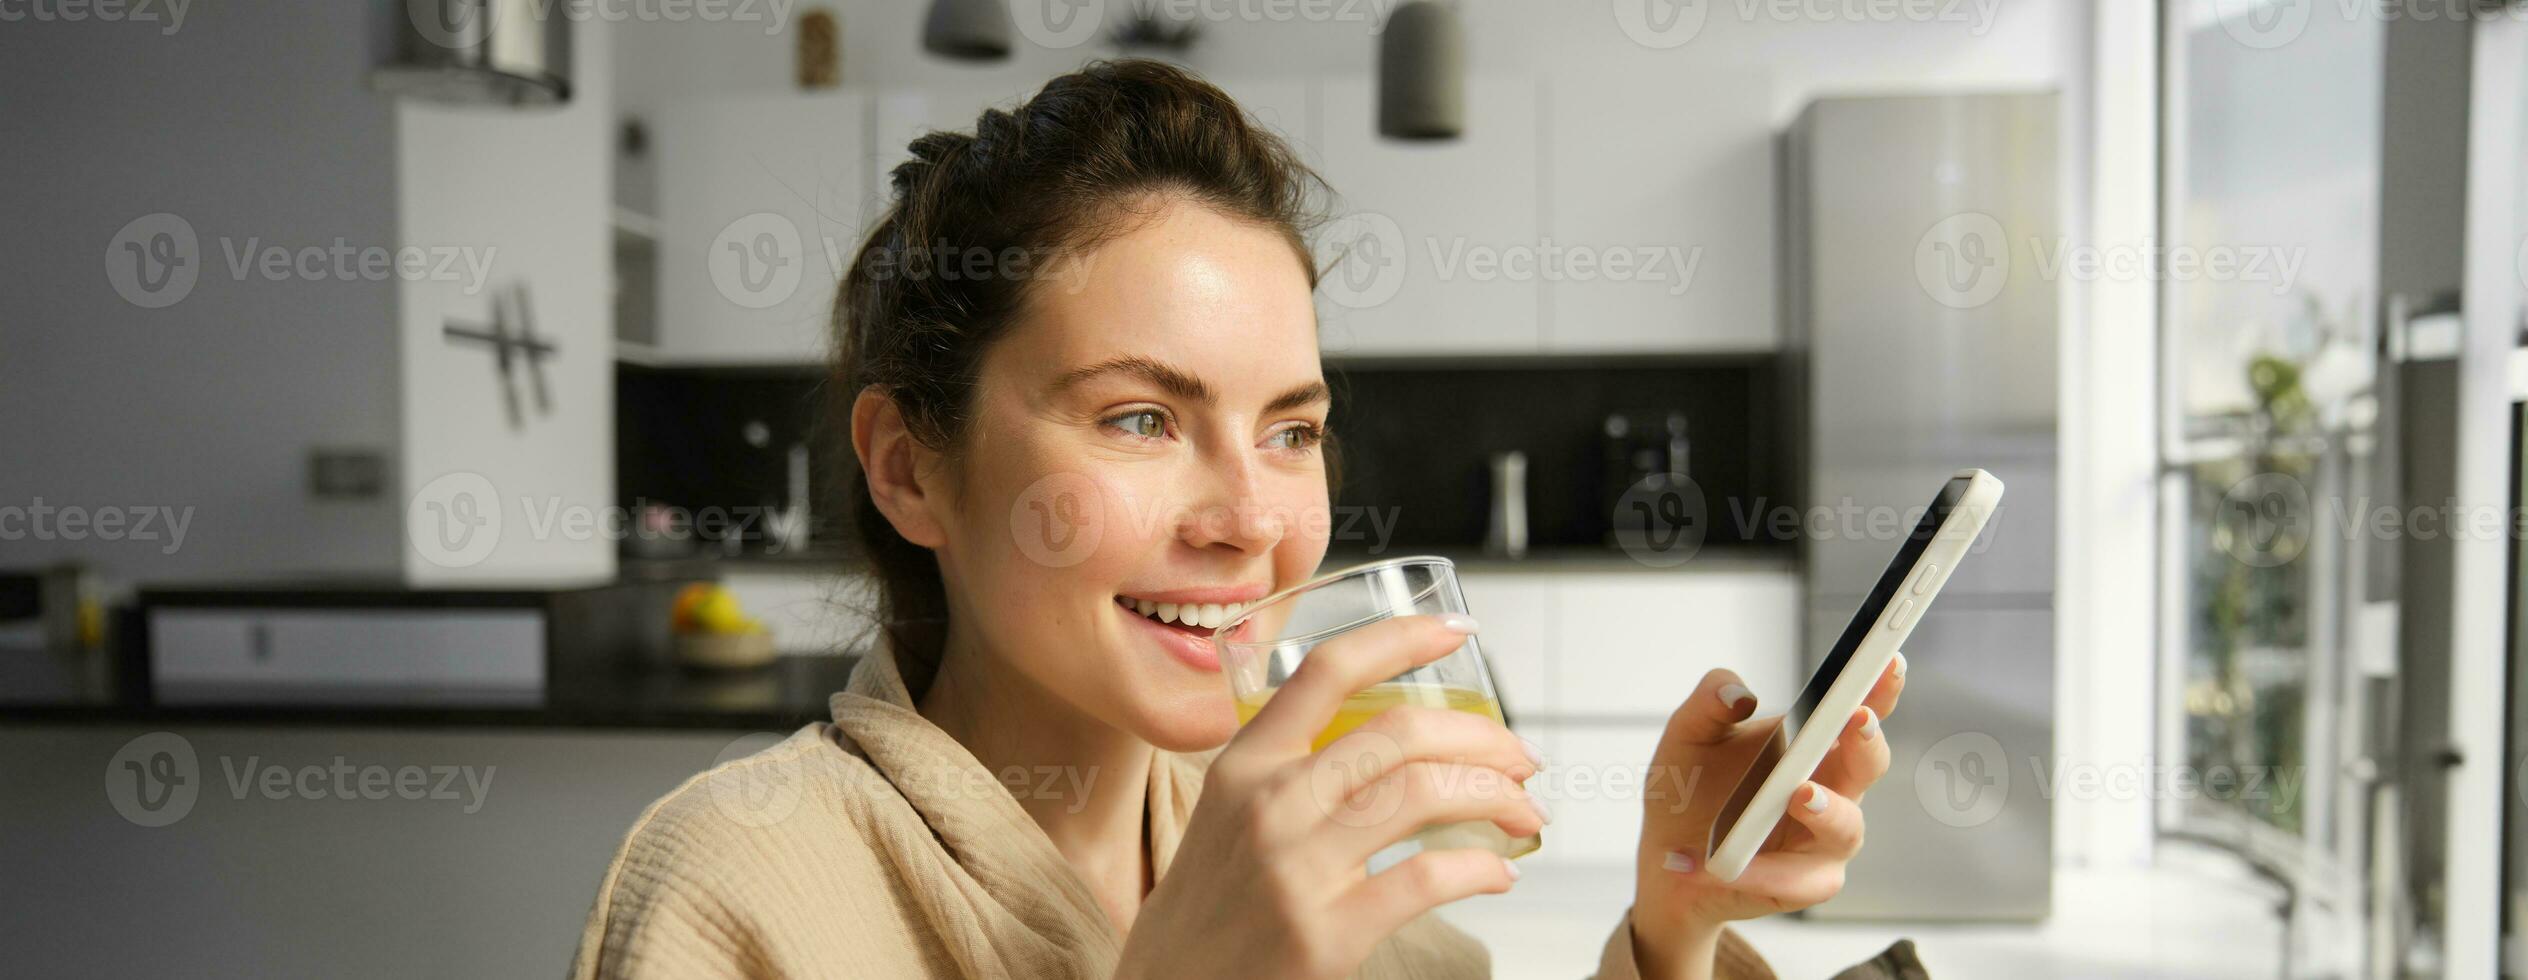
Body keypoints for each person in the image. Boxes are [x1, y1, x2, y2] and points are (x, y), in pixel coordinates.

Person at [574, 59, 1922, 980]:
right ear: (910, 469)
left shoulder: (1292, 811)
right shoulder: (737, 889)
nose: (1251, 519)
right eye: (1140, 419)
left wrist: (1671, 918)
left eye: (1291, 430)